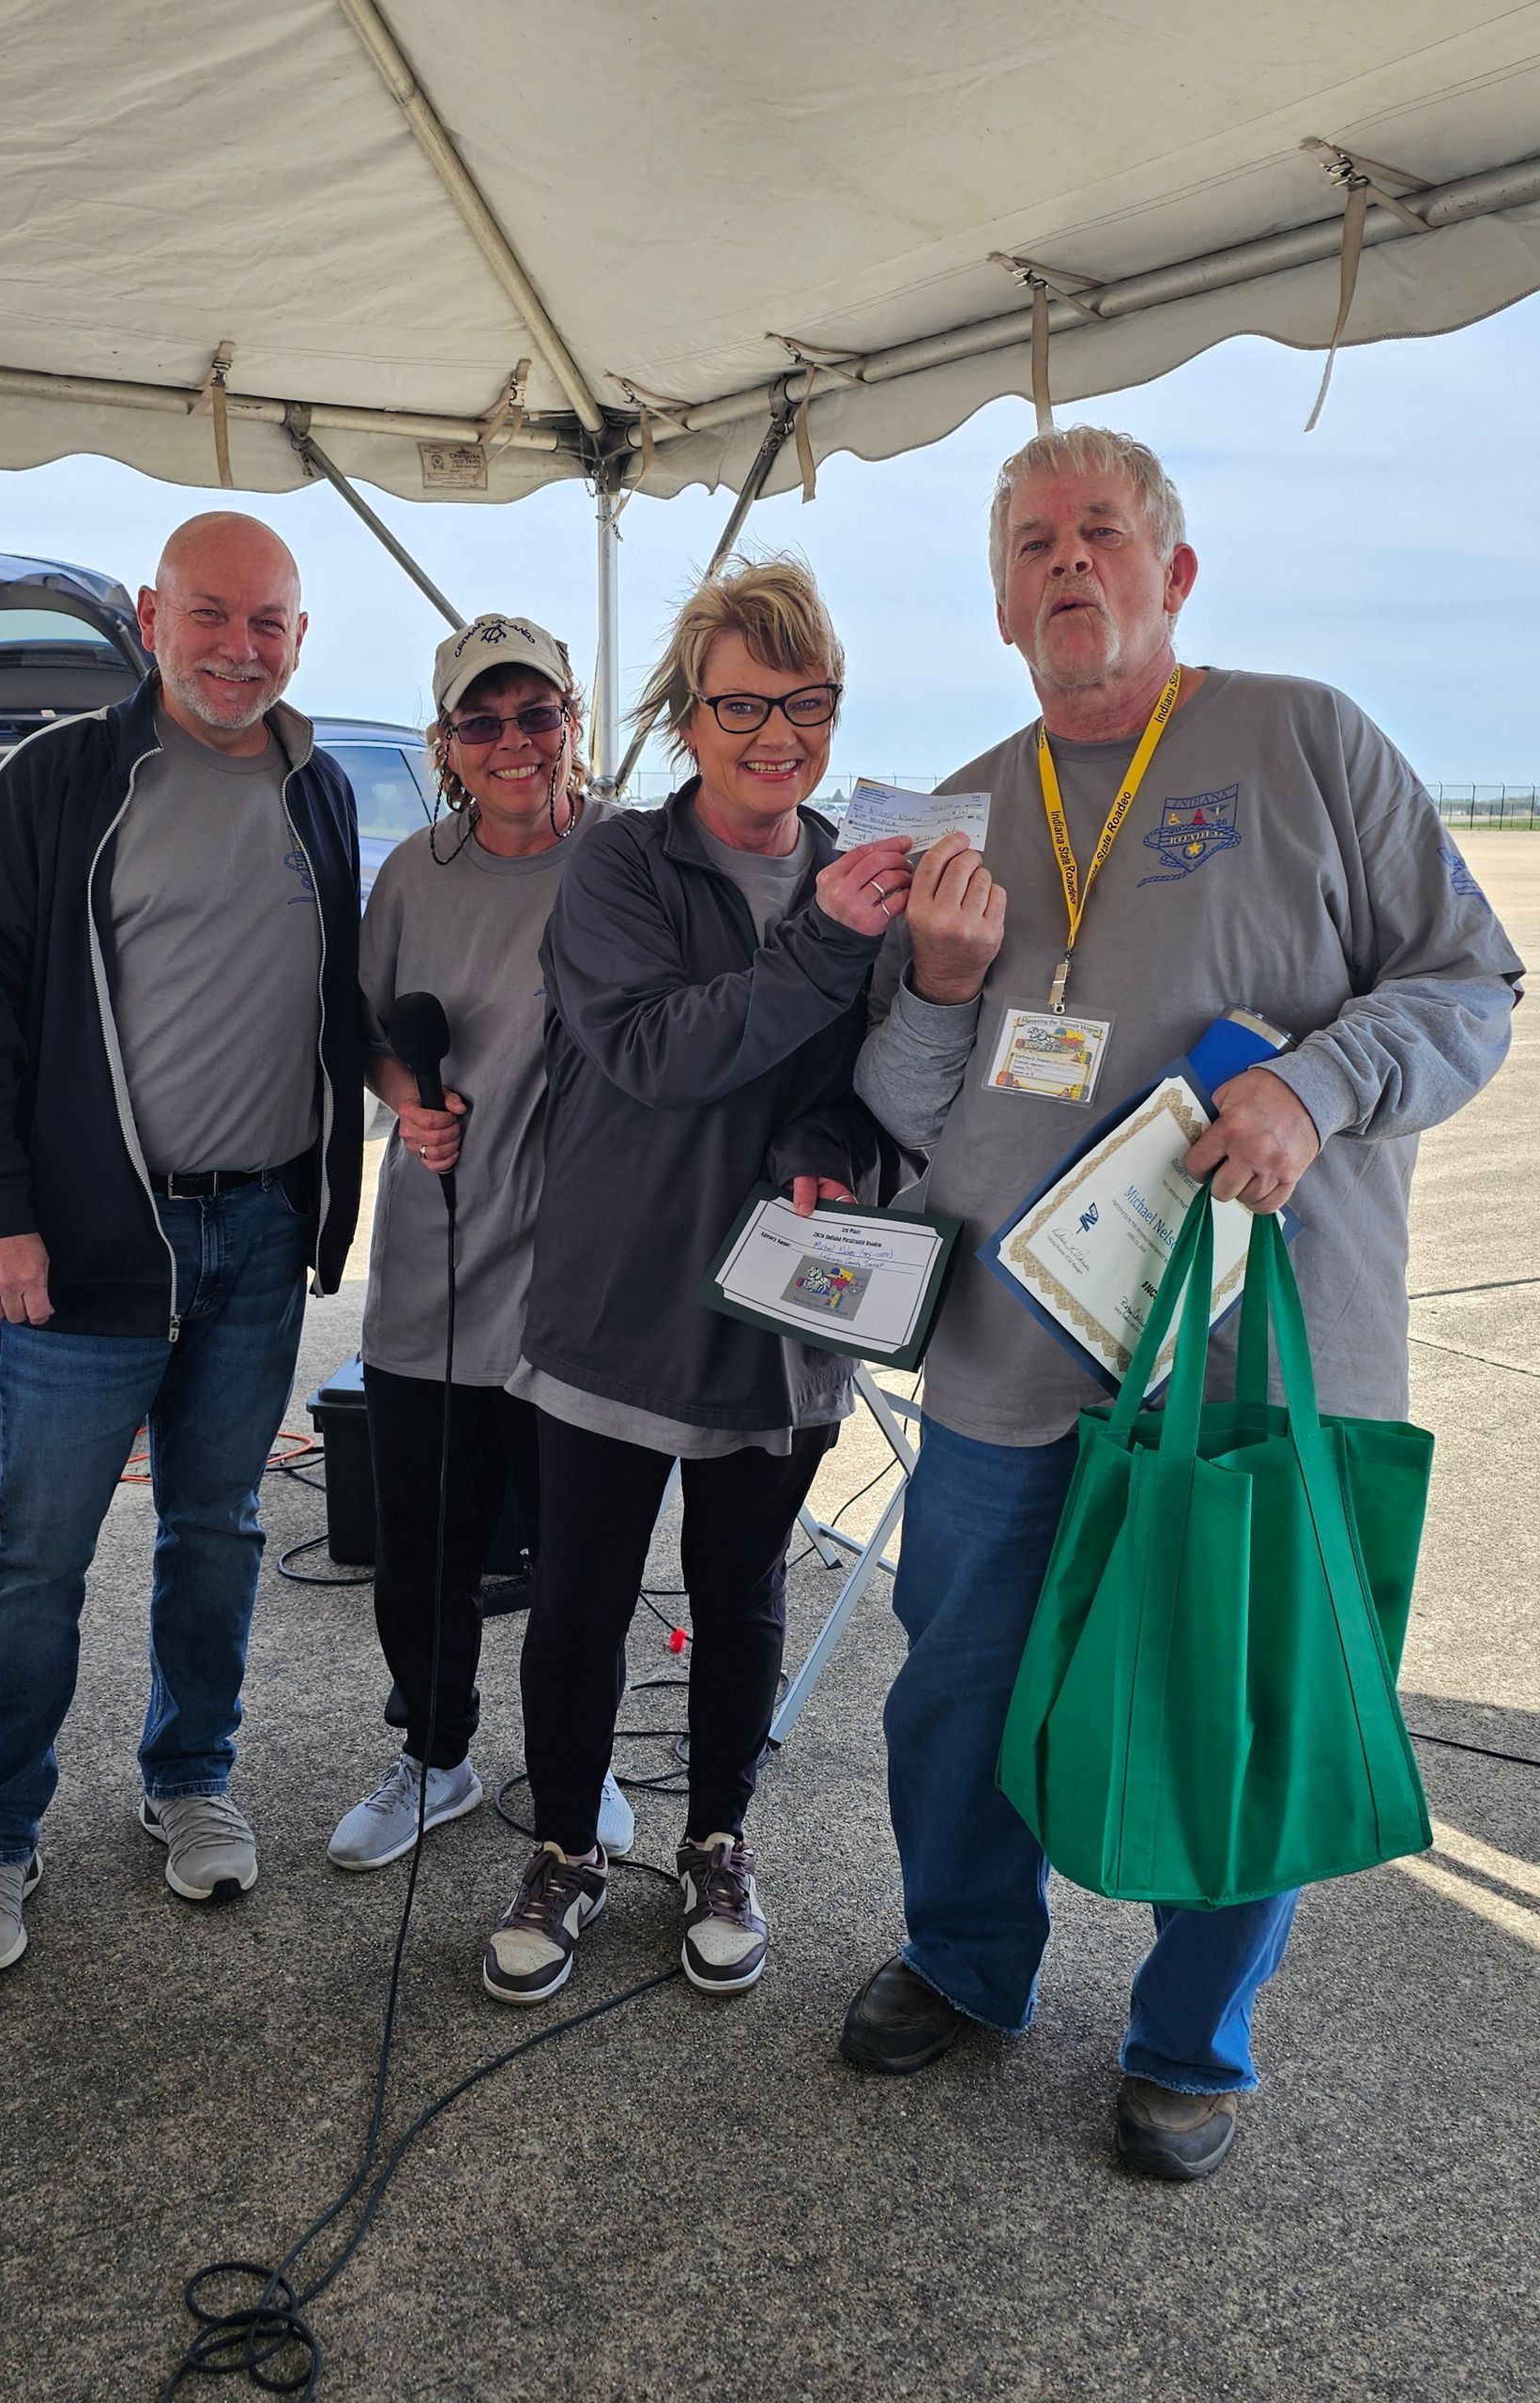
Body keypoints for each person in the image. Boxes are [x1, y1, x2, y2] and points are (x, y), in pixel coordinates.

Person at [846, 426, 1524, 2177]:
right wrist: (929, 981)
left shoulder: (1306, 738)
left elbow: (1467, 986)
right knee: (959, 1685)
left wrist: (1317, 1085)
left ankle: (1192, 2046)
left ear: (1174, 570)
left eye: (1100, 533)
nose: (1067, 563)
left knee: (1243, 1691)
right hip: (1015, 1349)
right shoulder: (963, 804)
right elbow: (916, 1103)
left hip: (1251, 1349)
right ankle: (963, 1959)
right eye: (1030, 543)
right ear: (999, 602)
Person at [0, 513, 363, 1977]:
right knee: (35, 1555)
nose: (243, 648)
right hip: (93, 1241)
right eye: (216, 616)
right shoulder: (62, 782)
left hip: (257, 1229)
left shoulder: (322, 786)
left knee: (218, 1529)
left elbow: (343, 995)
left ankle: (191, 1779)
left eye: (272, 623)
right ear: (156, 615)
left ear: (301, 636)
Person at [480, 557, 916, 2007]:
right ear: (687, 715)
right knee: (581, 1602)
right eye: (740, 703)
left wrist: (828, 1136)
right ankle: (562, 1847)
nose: (774, 734)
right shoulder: (616, 864)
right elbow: (661, 1055)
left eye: (806, 702)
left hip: (780, 1321)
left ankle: (716, 1840)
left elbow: (875, 1084)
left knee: (740, 1598)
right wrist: (830, 942)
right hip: (616, 1301)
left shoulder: (860, 869)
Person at [326, 612, 632, 1872]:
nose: (514, 741)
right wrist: (407, 1101)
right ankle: (435, 1757)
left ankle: (582, 1765)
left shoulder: (633, 859)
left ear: (572, 719)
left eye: (537, 713)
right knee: (426, 1553)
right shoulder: (413, 875)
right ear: (447, 742)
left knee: (583, 1565)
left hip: (586, 1290)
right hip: (435, 1268)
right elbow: (363, 1030)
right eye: (482, 720)